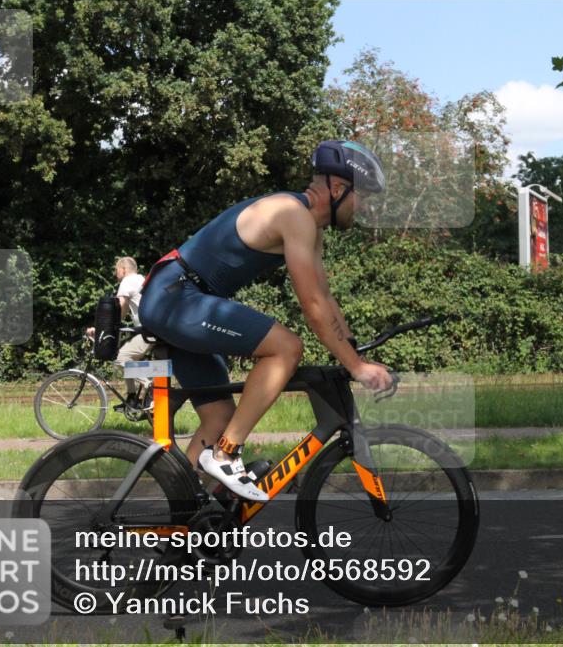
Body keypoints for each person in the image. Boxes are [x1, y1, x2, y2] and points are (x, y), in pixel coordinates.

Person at [138, 140, 393, 502]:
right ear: (338, 189)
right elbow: (311, 305)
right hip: (175, 297)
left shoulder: (309, 227)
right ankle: (226, 454)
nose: (364, 207)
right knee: (286, 348)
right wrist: (355, 367)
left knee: (219, 417)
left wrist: (355, 355)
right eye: (363, 197)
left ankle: (187, 516)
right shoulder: (293, 214)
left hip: (181, 299)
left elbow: (325, 299)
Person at [87, 257, 154, 406]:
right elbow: (122, 313)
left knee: (120, 358)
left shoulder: (127, 281)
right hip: (152, 329)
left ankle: (149, 386)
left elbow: (119, 308)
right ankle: (132, 398)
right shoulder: (141, 279)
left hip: (149, 331)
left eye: (116, 270)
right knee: (128, 359)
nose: (115, 273)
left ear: (123, 269)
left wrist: (101, 328)